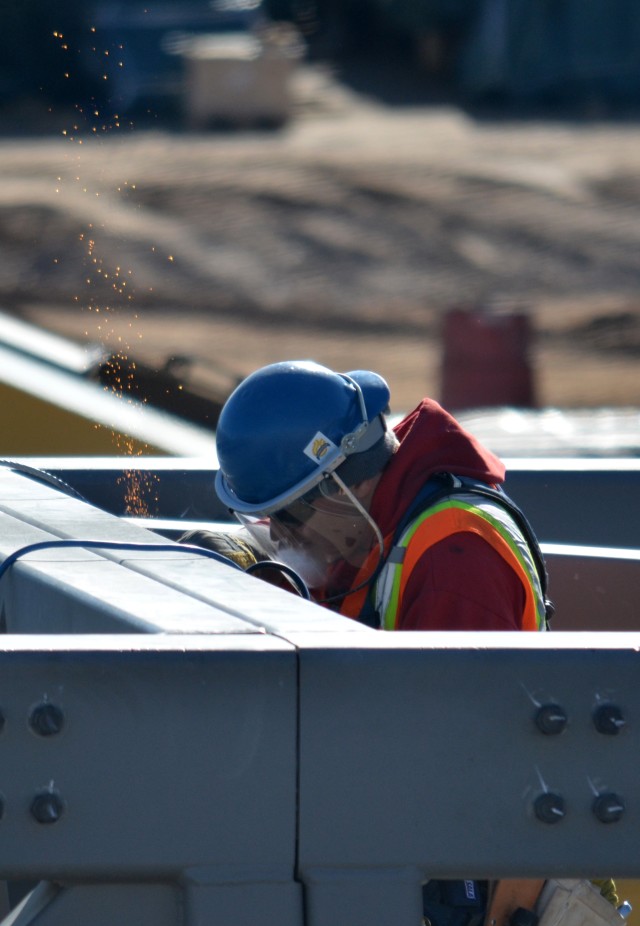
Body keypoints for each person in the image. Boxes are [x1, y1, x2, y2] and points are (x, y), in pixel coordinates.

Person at [189, 359, 549, 632]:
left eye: (287, 516)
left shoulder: (454, 564)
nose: (276, 534)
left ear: (350, 481)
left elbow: (448, 722)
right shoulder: (367, 524)